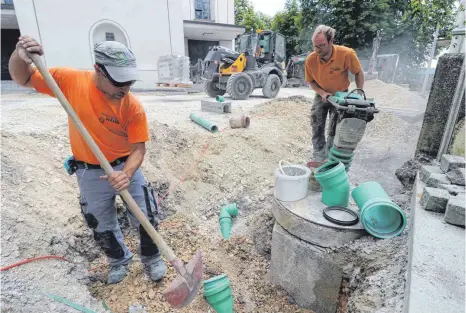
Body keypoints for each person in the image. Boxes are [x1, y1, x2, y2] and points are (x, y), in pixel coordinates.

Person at [9, 36, 167, 284]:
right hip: (89, 171)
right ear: (98, 70)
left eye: (129, 81)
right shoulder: (70, 81)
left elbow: (139, 149)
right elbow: (23, 77)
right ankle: (119, 260)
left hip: (126, 166)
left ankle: (152, 258)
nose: (124, 88)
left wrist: (126, 173)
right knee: (98, 220)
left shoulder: (132, 107)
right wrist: (19, 56)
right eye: (118, 81)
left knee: (146, 212)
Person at [305, 25, 364, 162]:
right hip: (321, 93)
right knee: (316, 120)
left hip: (341, 94)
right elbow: (311, 82)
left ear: (331, 41)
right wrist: (322, 93)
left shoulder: (346, 54)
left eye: (321, 46)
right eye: (315, 46)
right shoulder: (311, 60)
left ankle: (330, 154)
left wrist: (360, 94)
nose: (317, 50)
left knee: (335, 125)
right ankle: (318, 152)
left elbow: (358, 72)